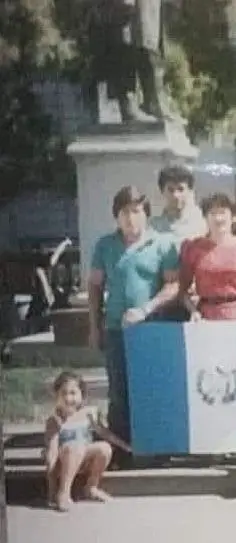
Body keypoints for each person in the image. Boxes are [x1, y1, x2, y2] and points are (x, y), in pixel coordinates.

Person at [88, 186, 180, 467]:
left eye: (136, 211)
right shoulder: (105, 245)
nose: (131, 218)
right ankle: (121, 451)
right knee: (119, 390)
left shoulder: (163, 244)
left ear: (146, 214)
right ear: (116, 216)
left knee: (153, 387)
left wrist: (146, 309)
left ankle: (157, 449)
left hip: (152, 329)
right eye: (124, 212)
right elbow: (94, 286)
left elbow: (173, 284)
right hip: (116, 329)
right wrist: (94, 325)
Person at [44, 371, 132, 512]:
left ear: (82, 395)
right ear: (56, 396)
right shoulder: (55, 421)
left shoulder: (88, 414)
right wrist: (51, 486)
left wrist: (124, 446)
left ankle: (91, 487)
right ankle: (64, 492)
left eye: (73, 393)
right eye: (63, 393)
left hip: (84, 460)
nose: (68, 398)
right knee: (75, 447)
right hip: (64, 464)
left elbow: (104, 433)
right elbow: (52, 451)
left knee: (104, 448)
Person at [179, 192, 236, 321]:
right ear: (205, 218)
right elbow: (183, 290)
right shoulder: (194, 248)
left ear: (233, 217)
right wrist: (193, 311)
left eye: (222, 212)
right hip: (206, 316)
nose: (218, 218)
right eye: (212, 213)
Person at [150, 164, 208, 244]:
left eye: (181, 189)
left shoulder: (202, 225)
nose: (176, 195)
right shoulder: (153, 227)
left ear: (190, 191)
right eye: (171, 190)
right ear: (162, 191)